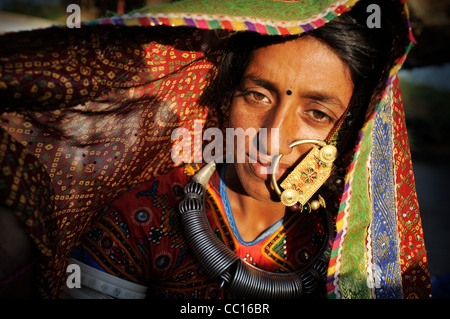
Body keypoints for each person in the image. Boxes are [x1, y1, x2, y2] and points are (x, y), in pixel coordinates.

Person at [0, 0, 431, 299]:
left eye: (316, 113)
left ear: (348, 130)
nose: (271, 136)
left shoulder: (355, 241)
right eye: (257, 96)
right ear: (226, 99)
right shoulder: (141, 216)